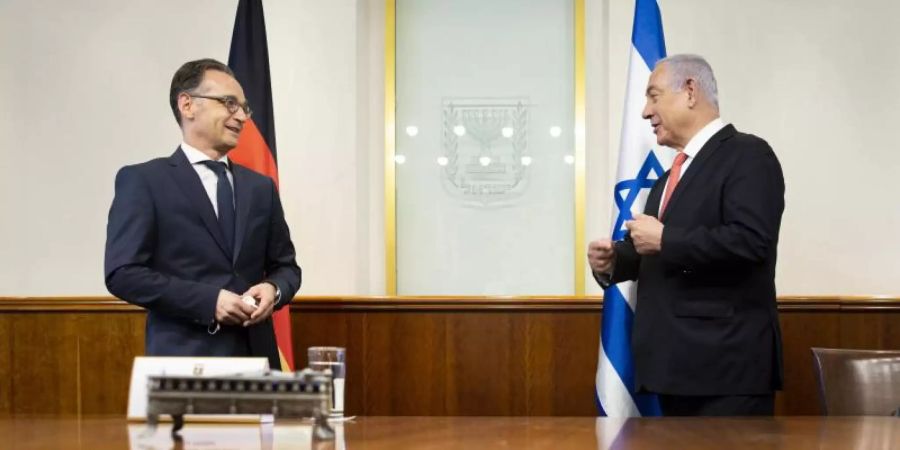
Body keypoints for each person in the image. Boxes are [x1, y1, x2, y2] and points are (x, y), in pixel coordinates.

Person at [588, 54, 785, 416]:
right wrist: (614, 261)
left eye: (654, 96)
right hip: (670, 368)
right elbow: (655, 253)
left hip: (726, 372)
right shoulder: (668, 177)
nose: (646, 111)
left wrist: (666, 239)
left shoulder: (749, 155)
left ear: (690, 91)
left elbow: (751, 242)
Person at [104, 59, 301, 370]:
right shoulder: (144, 181)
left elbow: (287, 267)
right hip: (184, 363)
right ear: (187, 105)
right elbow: (123, 273)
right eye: (229, 103)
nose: (241, 116)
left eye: (244, 108)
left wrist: (273, 290)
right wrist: (209, 301)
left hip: (259, 360)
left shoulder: (260, 187)